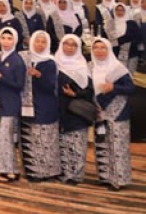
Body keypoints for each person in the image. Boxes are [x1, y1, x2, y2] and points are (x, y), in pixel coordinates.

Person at [90, 38, 132, 190]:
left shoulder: (118, 68)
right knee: (102, 143)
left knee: (117, 146)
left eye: (103, 48)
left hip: (118, 112)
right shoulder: (90, 67)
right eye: (96, 48)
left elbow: (130, 88)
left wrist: (113, 87)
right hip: (99, 111)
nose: (99, 51)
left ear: (109, 50)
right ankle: (105, 177)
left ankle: (119, 180)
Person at [21, 31, 61, 182]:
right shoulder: (25, 60)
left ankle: (50, 171)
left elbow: (51, 86)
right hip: (28, 105)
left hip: (46, 105)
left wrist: (39, 75)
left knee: (46, 139)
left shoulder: (50, 62)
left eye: (43, 42)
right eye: (37, 41)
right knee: (31, 138)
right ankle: (34, 172)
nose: (40, 44)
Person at [54, 33, 93, 185]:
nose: (69, 47)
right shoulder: (55, 64)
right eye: (66, 44)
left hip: (77, 110)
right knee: (63, 142)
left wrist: (75, 94)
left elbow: (90, 90)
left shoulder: (83, 66)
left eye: (73, 45)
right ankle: (65, 173)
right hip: (60, 109)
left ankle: (76, 175)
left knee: (77, 143)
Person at [0, 27, 26, 182]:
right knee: (3, 138)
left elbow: (19, 85)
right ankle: (7, 168)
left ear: (15, 40)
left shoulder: (17, 60)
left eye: (9, 38)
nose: (6, 41)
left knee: (6, 138)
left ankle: (5, 169)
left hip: (10, 104)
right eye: (3, 38)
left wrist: (0, 76)